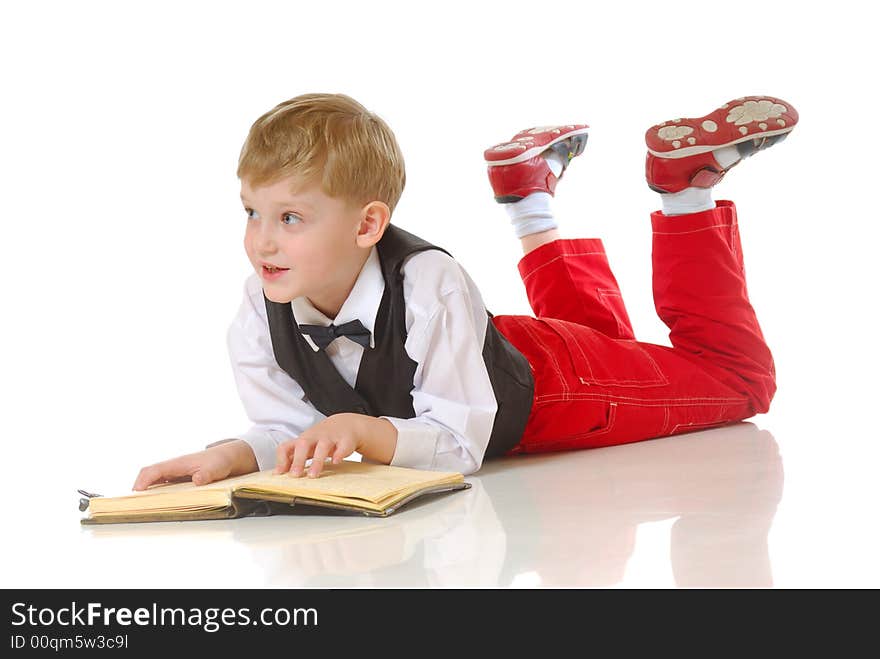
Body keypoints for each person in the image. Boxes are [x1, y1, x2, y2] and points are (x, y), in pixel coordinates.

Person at [132, 93, 797, 490]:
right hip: (498, 355)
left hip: (553, 389)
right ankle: (528, 195)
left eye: (290, 218)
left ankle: (685, 190)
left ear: (369, 223)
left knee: (737, 379)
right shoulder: (259, 308)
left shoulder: (428, 282)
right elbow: (290, 428)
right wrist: (232, 453)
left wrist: (366, 431)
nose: (261, 241)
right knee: (612, 349)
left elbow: (458, 444)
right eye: (251, 212)